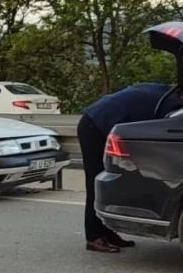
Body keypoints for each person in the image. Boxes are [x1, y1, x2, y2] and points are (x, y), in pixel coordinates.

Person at [78, 83, 183, 253]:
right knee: (95, 180)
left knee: (106, 178)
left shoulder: (164, 92)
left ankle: (107, 233)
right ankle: (93, 237)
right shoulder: (170, 104)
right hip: (95, 125)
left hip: (103, 120)